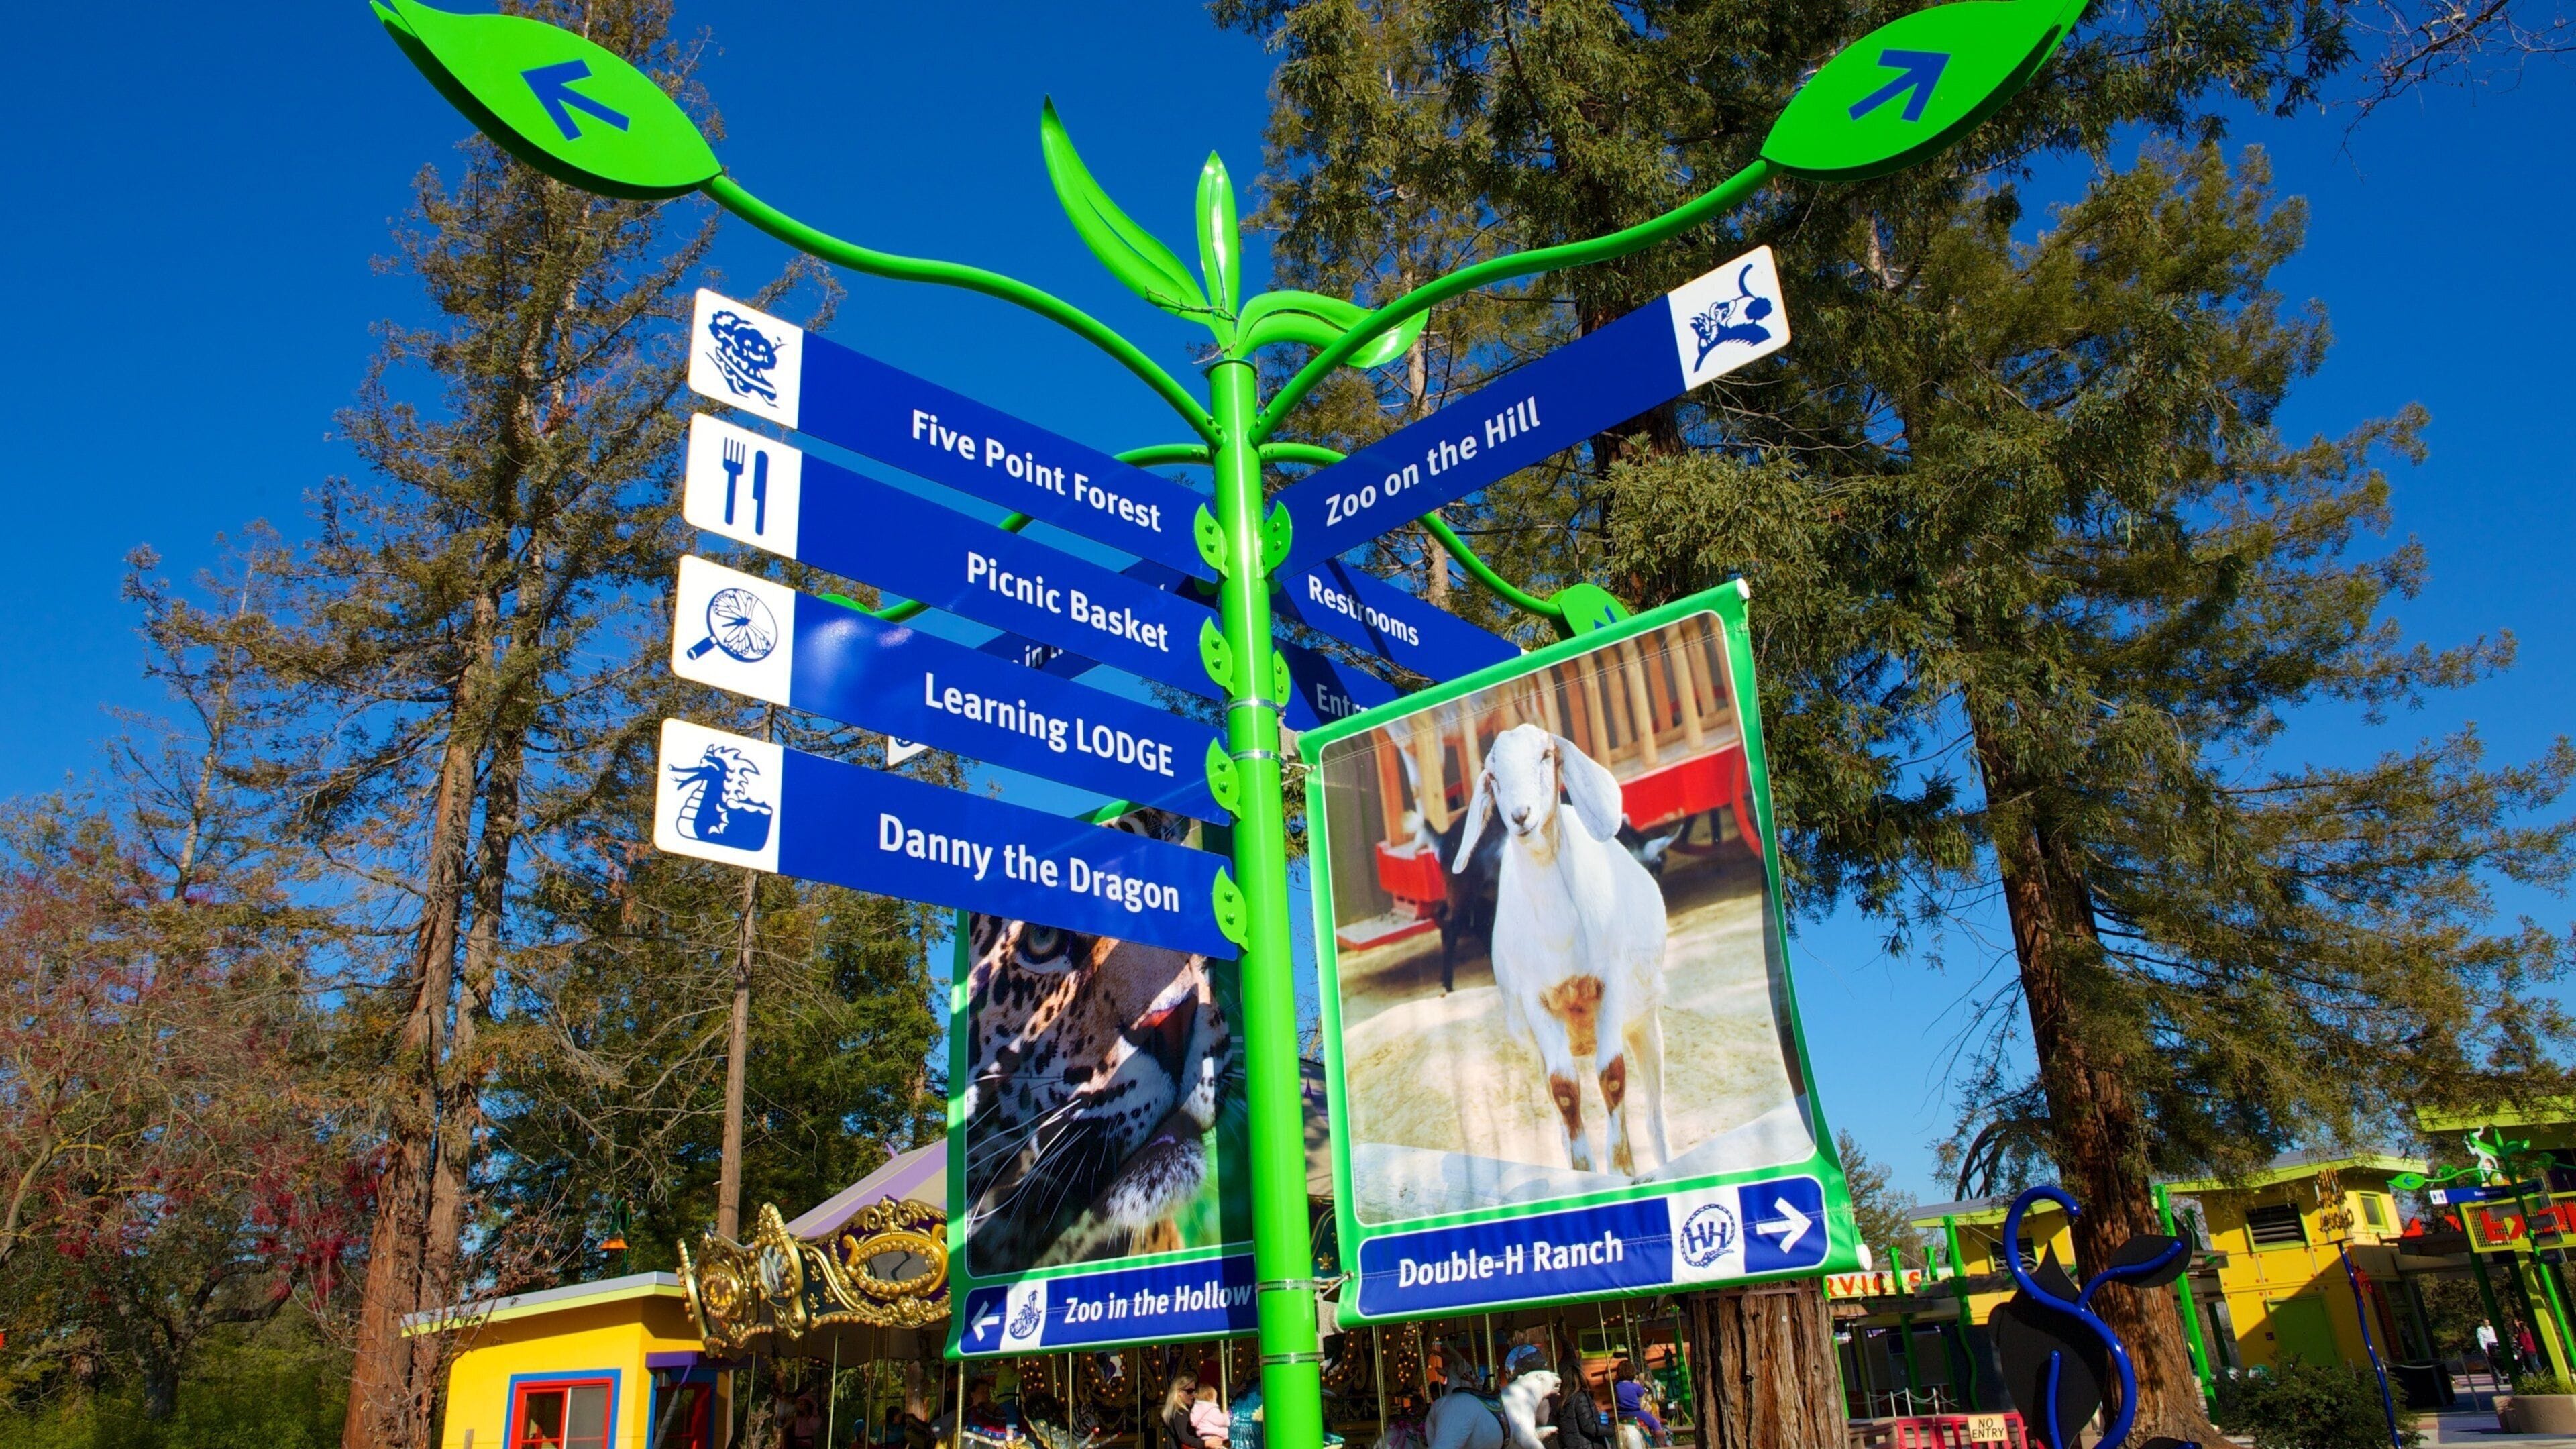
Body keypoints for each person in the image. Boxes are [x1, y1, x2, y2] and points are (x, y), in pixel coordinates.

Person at [1612, 1362, 1668, 1448]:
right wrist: (1638, 1385)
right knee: (1655, 1423)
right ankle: (1662, 1444)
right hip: (1636, 1413)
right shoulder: (1635, 1386)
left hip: (1621, 1415)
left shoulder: (1616, 1387)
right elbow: (1641, 1393)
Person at [1160, 1374, 1205, 1449]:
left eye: (1194, 1391)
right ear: (1179, 1392)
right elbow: (1188, 1439)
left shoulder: (1174, 1411)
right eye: (1190, 1391)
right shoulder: (1180, 1412)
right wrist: (1207, 1442)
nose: (1193, 1395)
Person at [1190, 1383, 1231, 1447]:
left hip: (1204, 1438)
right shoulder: (1211, 1409)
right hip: (1215, 1437)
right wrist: (1226, 1417)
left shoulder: (1196, 1409)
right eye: (1215, 1399)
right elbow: (1221, 1421)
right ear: (1211, 1399)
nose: (1216, 1402)